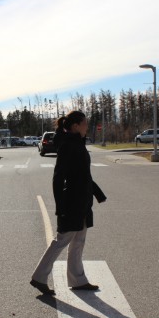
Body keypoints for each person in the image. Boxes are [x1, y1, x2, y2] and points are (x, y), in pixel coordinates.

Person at [31, 111, 107, 295]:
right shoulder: (68, 145)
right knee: (63, 239)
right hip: (72, 201)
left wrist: (98, 193)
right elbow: (59, 177)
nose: (86, 127)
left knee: (79, 239)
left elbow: (83, 175)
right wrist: (60, 206)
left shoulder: (77, 144)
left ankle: (77, 280)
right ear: (75, 126)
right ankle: (39, 277)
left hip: (82, 200)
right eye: (84, 123)